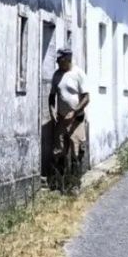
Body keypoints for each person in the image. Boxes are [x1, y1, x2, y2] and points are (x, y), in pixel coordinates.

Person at [48, 47, 90, 186]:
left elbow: (86, 98)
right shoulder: (57, 75)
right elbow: (52, 96)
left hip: (75, 120)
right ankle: (60, 183)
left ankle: (75, 183)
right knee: (59, 151)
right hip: (61, 119)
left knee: (76, 151)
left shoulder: (78, 74)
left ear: (67, 60)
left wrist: (75, 111)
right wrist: (52, 109)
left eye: (60, 60)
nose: (58, 63)